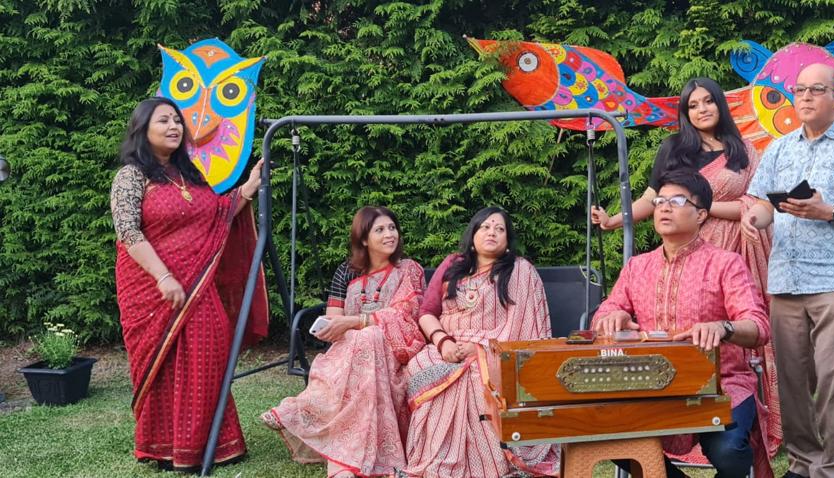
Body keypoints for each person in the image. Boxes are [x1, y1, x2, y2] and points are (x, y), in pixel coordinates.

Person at [592, 77, 781, 456]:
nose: (702, 110)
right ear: (685, 112)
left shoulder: (743, 150)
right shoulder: (674, 149)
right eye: (693, 105)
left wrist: (706, 211)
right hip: (688, 240)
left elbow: (758, 201)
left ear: (720, 106)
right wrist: (616, 219)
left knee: (744, 326)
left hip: (739, 247)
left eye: (709, 102)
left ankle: (755, 415)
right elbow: (654, 199)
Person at [740, 63, 834, 478]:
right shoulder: (779, 148)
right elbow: (764, 203)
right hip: (786, 279)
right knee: (791, 382)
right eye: (799, 89)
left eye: (816, 89)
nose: (804, 97)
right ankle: (804, 463)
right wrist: (754, 218)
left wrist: (830, 211)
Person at [111, 97, 269, 472]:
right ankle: (162, 447)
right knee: (163, 367)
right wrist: (163, 276)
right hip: (151, 289)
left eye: (177, 121)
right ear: (142, 129)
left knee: (209, 356)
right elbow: (128, 232)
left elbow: (218, 217)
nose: (173, 127)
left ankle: (210, 444)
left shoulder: (190, 174)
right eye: (164, 121)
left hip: (199, 287)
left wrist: (248, 187)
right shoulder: (131, 177)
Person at [592, 170, 774, 478]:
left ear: (701, 214)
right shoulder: (638, 266)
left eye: (677, 201)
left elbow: (758, 326)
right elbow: (607, 311)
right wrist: (612, 316)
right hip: (650, 386)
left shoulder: (725, 263)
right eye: (660, 200)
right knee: (611, 439)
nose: (664, 207)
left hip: (720, 383)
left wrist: (723, 328)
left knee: (729, 453)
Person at [262, 206, 426, 478]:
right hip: (348, 354)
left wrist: (356, 323)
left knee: (371, 336)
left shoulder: (408, 270)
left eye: (392, 228)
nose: (390, 235)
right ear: (363, 238)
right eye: (380, 230)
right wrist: (338, 328)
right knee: (363, 341)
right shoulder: (345, 273)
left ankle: (334, 457)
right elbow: (333, 323)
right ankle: (344, 460)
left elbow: (405, 316)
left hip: (391, 353)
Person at [401, 207, 559, 478]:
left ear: (508, 240)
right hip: (446, 348)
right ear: (473, 233)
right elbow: (427, 312)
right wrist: (444, 343)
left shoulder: (520, 272)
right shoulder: (453, 265)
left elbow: (525, 331)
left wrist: (482, 350)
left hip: (496, 352)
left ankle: (486, 465)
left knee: (474, 378)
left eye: (500, 229)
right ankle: (433, 459)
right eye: (485, 227)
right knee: (420, 367)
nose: (492, 232)